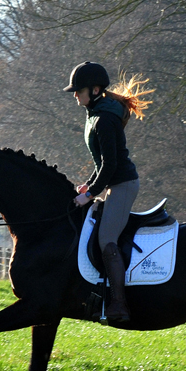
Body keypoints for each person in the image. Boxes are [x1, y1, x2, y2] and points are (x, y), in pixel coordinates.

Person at [64, 61, 153, 322]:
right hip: (113, 182)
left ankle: (119, 305)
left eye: (78, 91)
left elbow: (111, 164)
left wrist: (90, 194)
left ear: (93, 90)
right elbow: (101, 163)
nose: (75, 95)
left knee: (106, 239)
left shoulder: (103, 119)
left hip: (123, 185)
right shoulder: (95, 115)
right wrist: (88, 184)